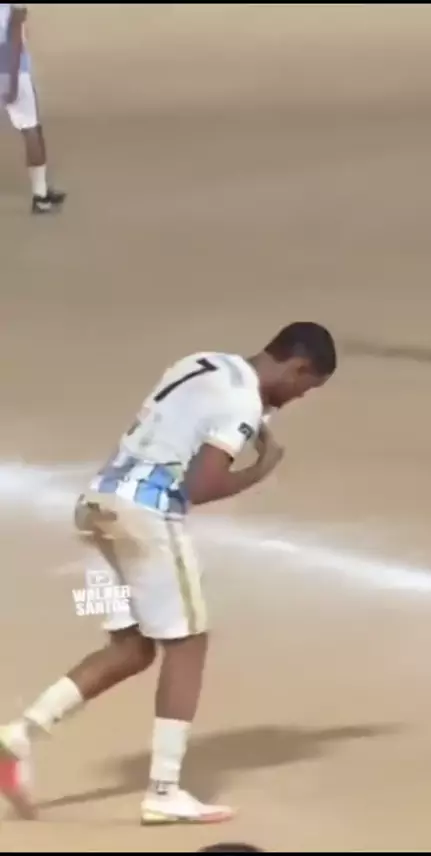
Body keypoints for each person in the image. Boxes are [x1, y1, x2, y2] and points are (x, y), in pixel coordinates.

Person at [0, 322, 337, 825]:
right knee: (188, 643)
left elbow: (185, 420)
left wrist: (256, 417)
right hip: (145, 517)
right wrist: (261, 469)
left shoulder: (203, 362)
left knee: (131, 648)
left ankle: (18, 736)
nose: (298, 397)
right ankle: (164, 791)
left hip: (95, 510)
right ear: (299, 365)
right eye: (305, 387)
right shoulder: (243, 402)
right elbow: (201, 485)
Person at [0, 4, 65, 213]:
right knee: (31, 129)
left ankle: (42, 190)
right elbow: (14, 37)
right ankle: (40, 196)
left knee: (32, 128)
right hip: (11, 70)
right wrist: (11, 79)